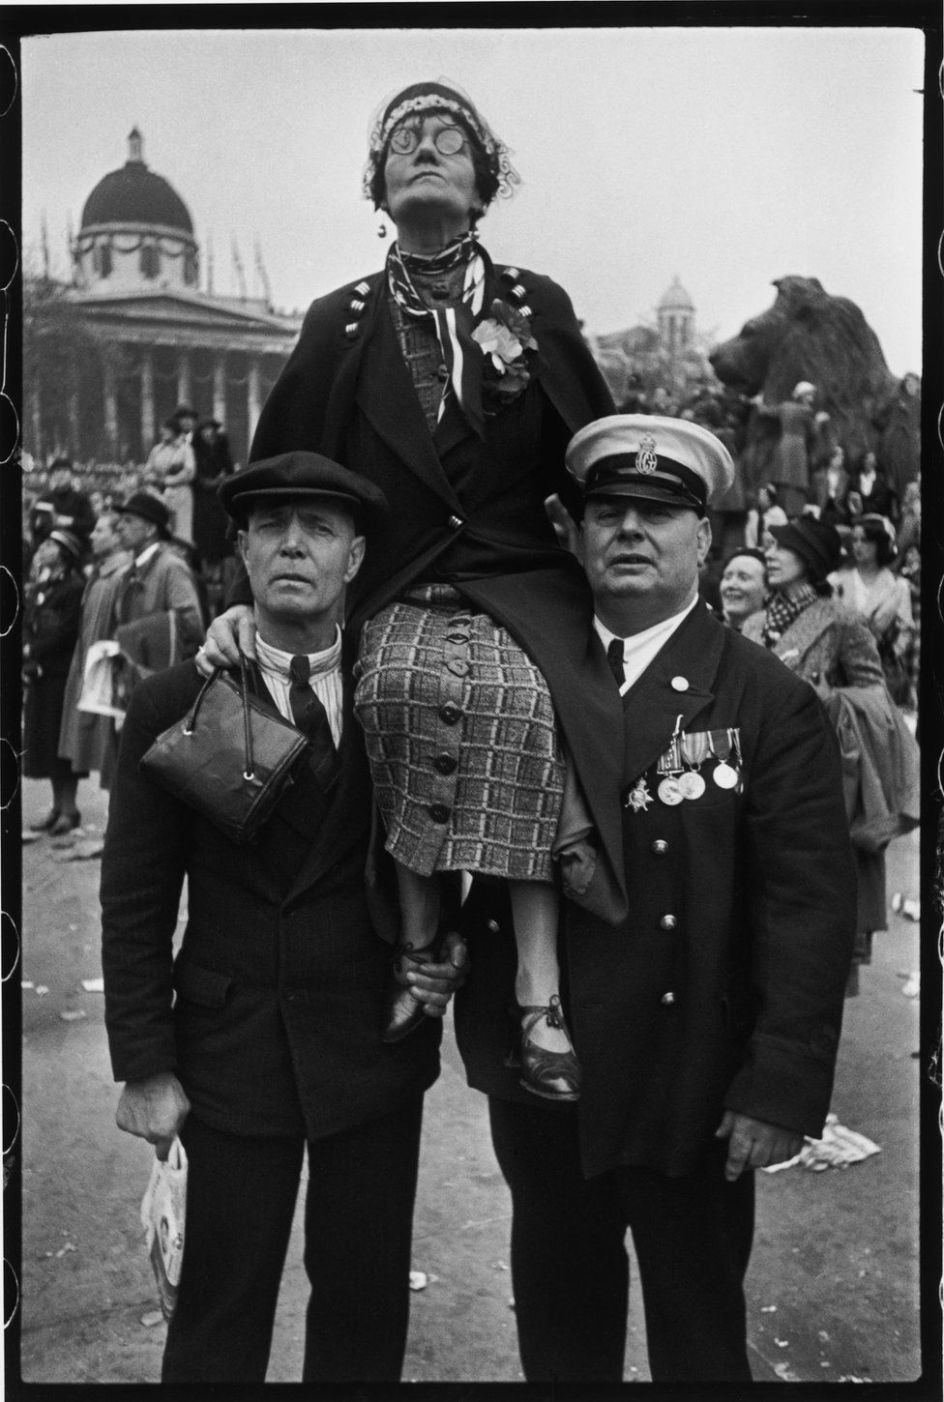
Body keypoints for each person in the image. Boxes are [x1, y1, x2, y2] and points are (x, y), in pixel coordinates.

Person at [205, 79, 624, 1101]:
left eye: (448, 141)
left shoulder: (539, 306)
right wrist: (244, 600)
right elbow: (280, 478)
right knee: (387, 690)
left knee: (529, 701)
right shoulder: (337, 321)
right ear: (378, 189)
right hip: (393, 581)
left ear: (484, 184)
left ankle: (538, 992)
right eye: (403, 143)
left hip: (522, 580)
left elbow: (600, 468)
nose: (425, 149)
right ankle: (420, 948)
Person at [453, 415, 857, 1383]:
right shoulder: (518, 668)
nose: (629, 529)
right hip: (546, 1079)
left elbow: (806, 909)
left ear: (703, 539)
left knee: (698, 1336)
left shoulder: (764, 699)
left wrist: (777, 1087)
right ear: (575, 531)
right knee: (559, 1332)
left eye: (658, 513)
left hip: (694, 1083)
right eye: (608, 510)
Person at [101, 451, 466, 1384]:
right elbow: (136, 898)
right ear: (243, 552)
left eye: (320, 529)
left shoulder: (408, 690)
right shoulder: (176, 701)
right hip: (230, 1050)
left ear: (355, 558)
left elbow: (456, 838)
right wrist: (145, 1065)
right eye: (272, 527)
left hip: (369, 1048)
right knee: (221, 1311)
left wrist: (444, 943)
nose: (294, 545)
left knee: (363, 1301)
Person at [744, 516, 918, 987]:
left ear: (811, 560)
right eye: (770, 549)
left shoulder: (842, 620)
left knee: (813, 944)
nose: (770, 556)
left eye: (783, 548)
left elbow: (880, 705)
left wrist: (831, 700)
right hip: (754, 787)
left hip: (819, 790)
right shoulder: (755, 622)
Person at [57, 509, 131, 793]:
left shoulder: (122, 574)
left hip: (108, 674)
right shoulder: (99, 574)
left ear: (117, 536)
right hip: (89, 667)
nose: (92, 535)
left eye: (100, 531)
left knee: (115, 751)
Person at [23, 529, 88, 834]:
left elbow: (66, 631)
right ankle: (55, 805)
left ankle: (69, 807)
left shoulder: (74, 587)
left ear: (63, 553)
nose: (43, 549)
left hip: (61, 674)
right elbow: (28, 621)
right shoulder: (42, 585)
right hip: (40, 672)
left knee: (62, 742)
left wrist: (32, 649)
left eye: (50, 545)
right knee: (46, 741)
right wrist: (28, 652)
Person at [112, 492, 205, 681]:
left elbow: (192, 625)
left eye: (128, 521)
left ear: (150, 529)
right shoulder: (128, 573)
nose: (119, 527)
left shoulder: (171, 567)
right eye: (120, 521)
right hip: (134, 678)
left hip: (161, 681)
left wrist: (138, 633)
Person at [831, 513, 914, 706]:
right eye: (855, 540)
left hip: (881, 670)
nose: (858, 546)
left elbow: (906, 630)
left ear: (879, 544)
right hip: (843, 669)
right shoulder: (837, 581)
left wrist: (892, 652)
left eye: (865, 540)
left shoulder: (897, 586)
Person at [754, 380, 826, 517]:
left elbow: (765, 412)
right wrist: (819, 421)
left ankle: (782, 507)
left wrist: (758, 402)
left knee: (783, 477)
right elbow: (814, 433)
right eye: (810, 394)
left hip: (783, 445)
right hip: (797, 447)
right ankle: (793, 511)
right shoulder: (806, 411)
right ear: (804, 396)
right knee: (796, 479)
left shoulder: (785, 406)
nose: (812, 397)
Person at [191, 417, 236, 614]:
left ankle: (219, 585)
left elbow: (229, 472)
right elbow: (197, 478)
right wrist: (212, 481)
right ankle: (208, 579)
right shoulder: (196, 451)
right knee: (205, 544)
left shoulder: (222, 449)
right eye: (205, 430)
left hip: (218, 503)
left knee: (220, 542)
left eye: (212, 430)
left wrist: (220, 481)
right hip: (203, 503)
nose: (209, 433)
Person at [28, 456, 96, 562]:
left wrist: (67, 521)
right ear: (52, 476)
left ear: (71, 475)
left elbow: (91, 523)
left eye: (65, 470)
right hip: (48, 548)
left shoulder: (81, 498)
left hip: (75, 549)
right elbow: (34, 527)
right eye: (57, 471)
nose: (61, 474)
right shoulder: (43, 499)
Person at [144, 417, 196, 544]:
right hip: (158, 494)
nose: (163, 432)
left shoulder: (185, 449)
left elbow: (189, 472)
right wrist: (153, 480)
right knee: (161, 527)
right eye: (162, 430)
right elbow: (147, 470)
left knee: (181, 531)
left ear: (174, 431)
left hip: (180, 494)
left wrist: (168, 481)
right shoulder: (157, 450)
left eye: (167, 429)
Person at [717, 546, 768, 632]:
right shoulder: (703, 629)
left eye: (743, 578)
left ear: (767, 590)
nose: (731, 585)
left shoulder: (776, 637)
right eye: (727, 577)